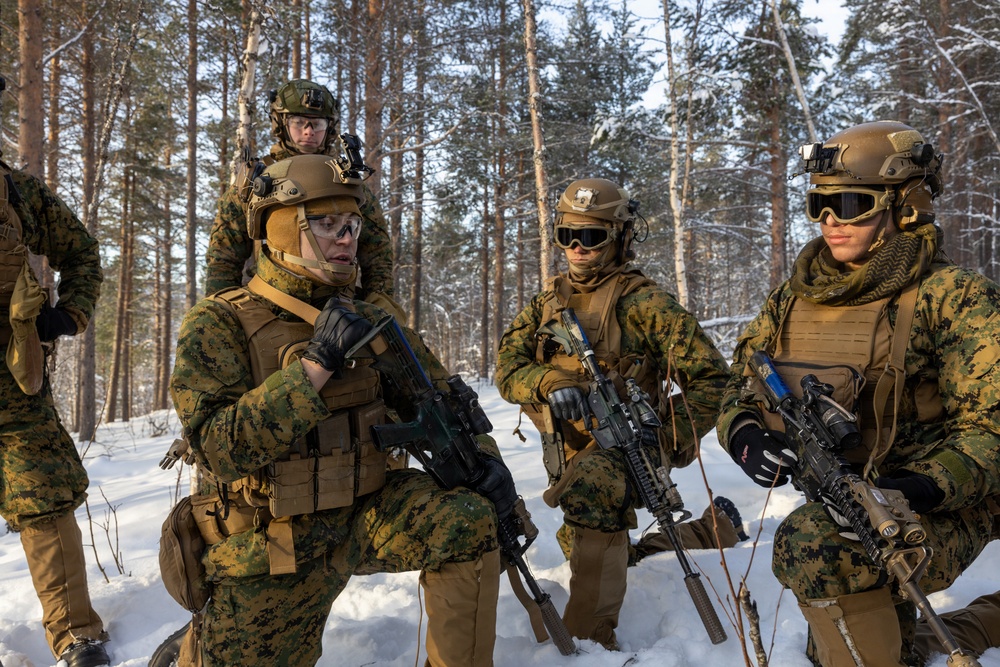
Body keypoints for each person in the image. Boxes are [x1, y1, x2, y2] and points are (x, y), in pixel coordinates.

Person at [168, 152, 509, 666]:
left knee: (466, 519)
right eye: (326, 224)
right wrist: (313, 369)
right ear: (282, 230)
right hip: (277, 541)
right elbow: (218, 449)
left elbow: (440, 400)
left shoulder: (370, 318)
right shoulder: (219, 324)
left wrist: (484, 458)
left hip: (367, 513)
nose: (346, 237)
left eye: (351, 223)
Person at [718, 120, 1000, 666]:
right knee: (863, 632)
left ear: (907, 203)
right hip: (840, 500)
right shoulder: (792, 298)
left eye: (850, 203)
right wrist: (745, 433)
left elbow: (992, 430)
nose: (830, 221)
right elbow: (742, 382)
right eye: (818, 204)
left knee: (814, 545)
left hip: (939, 507)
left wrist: (918, 487)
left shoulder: (956, 298)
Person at [495, 178, 742, 650]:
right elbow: (507, 367)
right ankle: (713, 529)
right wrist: (549, 383)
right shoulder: (547, 302)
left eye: (591, 236)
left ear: (620, 238)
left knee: (593, 501)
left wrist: (662, 437)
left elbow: (715, 380)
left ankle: (588, 641)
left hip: (629, 452)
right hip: (567, 453)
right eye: (567, 235)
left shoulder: (645, 303)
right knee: (596, 545)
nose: (577, 248)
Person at [0, 79, 107, 667]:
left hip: (17, 383)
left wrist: (69, 315)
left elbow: (83, 253)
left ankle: (76, 635)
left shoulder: (20, 195)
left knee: (44, 502)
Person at [204, 78, 403, 318]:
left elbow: (377, 255)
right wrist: (223, 316)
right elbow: (224, 257)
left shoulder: (347, 182)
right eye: (299, 122)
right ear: (281, 123)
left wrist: (378, 312)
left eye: (317, 124)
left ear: (329, 128)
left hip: (341, 310)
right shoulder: (256, 182)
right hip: (268, 307)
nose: (309, 131)